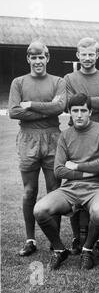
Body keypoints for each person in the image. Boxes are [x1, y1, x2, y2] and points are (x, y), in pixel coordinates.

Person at [33, 93, 99, 270]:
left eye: (83, 110)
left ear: (90, 112)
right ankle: (60, 250)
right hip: (69, 188)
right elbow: (59, 170)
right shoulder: (65, 135)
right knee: (40, 210)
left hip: (96, 188)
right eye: (75, 111)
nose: (79, 115)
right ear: (69, 112)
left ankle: (87, 250)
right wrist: (88, 172)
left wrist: (76, 166)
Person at [8, 41, 66, 256]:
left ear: (47, 58)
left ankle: (55, 240)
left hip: (53, 138)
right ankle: (30, 239)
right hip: (27, 139)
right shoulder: (18, 82)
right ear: (28, 59)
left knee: (54, 190)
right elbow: (13, 112)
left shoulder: (58, 81)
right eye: (33, 57)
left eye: (41, 57)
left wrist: (31, 105)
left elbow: (59, 107)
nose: (38, 61)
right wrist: (47, 110)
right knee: (29, 191)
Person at [64, 37, 99, 254]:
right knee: (74, 183)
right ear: (78, 55)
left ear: (97, 55)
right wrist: (96, 99)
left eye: (91, 54)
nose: (87, 58)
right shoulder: (69, 77)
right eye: (83, 54)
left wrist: (82, 100)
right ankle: (78, 237)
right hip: (76, 136)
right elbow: (68, 104)